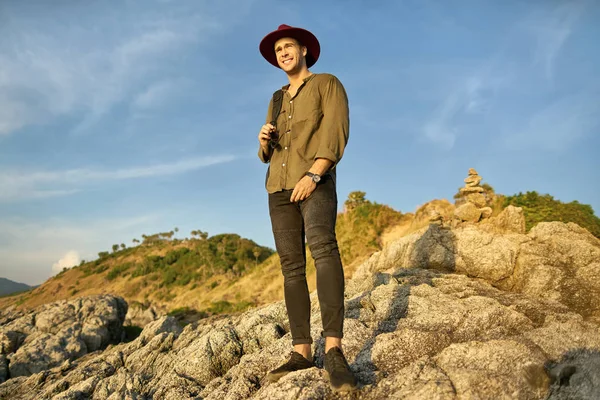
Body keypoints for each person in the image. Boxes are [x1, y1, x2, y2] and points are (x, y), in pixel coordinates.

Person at [257, 24, 357, 392]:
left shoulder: (327, 84)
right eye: (278, 49)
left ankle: (334, 349)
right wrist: (264, 141)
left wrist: (314, 176)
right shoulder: (276, 97)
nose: (283, 53)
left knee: (324, 252)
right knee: (291, 268)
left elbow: (336, 130)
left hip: (313, 183)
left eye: (288, 47)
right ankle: (301, 350)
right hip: (278, 188)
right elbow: (269, 154)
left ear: (303, 51)